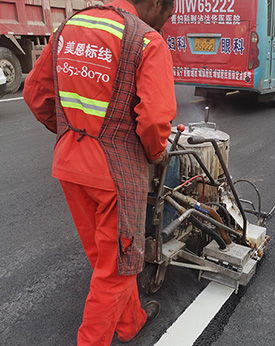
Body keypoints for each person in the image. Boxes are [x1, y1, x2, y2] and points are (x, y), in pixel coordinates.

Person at [23, 0, 176, 344]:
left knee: (107, 256)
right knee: (116, 269)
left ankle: (131, 321)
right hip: (116, 175)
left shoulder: (69, 27)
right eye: (167, 15)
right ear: (154, 3)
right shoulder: (147, 41)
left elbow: (35, 94)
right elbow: (153, 120)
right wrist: (155, 154)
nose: (165, 24)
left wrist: (69, 134)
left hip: (69, 163)